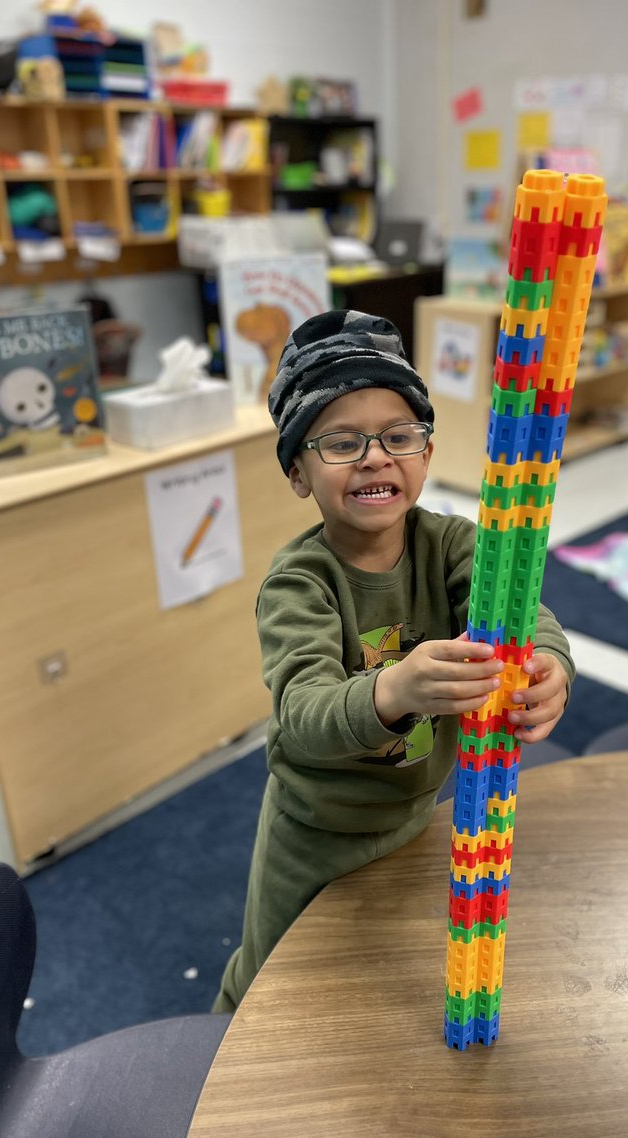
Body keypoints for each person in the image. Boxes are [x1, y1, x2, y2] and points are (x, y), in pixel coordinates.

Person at [213, 310, 574, 1014]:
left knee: (371, 976)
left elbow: (525, 610)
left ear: (426, 454)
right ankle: (221, 1037)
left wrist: (549, 663)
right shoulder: (300, 582)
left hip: (416, 813)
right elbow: (304, 713)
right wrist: (395, 688)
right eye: (341, 442)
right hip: (315, 831)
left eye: (399, 436)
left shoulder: (456, 544)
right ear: (297, 472)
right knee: (272, 977)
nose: (376, 457)